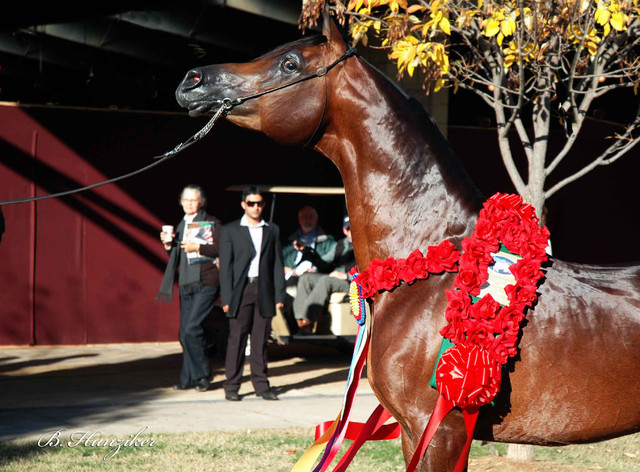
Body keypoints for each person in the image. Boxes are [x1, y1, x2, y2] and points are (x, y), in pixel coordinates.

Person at [219, 186, 286, 401]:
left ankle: (261, 385)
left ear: (263, 205)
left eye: (259, 203)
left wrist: (279, 295)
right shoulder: (230, 230)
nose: (255, 207)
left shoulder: (272, 230)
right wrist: (227, 297)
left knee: (260, 340)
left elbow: (277, 264)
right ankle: (232, 385)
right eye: (251, 203)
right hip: (241, 290)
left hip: (264, 290)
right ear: (243, 205)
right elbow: (226, 268)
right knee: (236, 339)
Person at [156, 185, 221, 393]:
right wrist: (169, 245)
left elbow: (220, 248)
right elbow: (179, 256)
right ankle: (188, 378)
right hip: (186, 282)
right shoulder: (182, 224)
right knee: (184, 333)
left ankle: (203, 376)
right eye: (186, 200)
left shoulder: (211, 222)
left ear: (201, 202)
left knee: (192, 328)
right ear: (181, 202)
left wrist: (199, 247)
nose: (189, 204)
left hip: (206, 281)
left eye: (193, 200)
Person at [293, 216, 356, 331]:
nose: (352, 231)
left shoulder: (364, 246)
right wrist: (306, 250)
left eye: (355, 227)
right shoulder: (341, 244)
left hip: (352, 282)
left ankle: (308, 321)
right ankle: (299, 320)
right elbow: (323, 262)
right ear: (344, 230)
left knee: (326, 280)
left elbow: (370, 272)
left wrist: (346, 275)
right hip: (335, 278)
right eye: (349, 228)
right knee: (306, 277)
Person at [282, 206, 336, 283]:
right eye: (305, 217)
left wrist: (316, 269)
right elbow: (278, 259)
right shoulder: (289, 241)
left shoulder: (327, 240)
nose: (308, 220)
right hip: (291, 275)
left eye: (311, 217)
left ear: (316, 219)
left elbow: (331, 260)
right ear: (299, 220)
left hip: (315, 276)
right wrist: (284, 268)